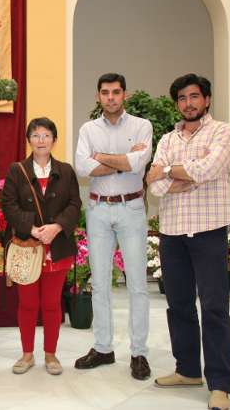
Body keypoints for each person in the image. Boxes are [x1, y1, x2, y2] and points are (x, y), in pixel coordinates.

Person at [146, 73, 230, 410]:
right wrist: (182, 175)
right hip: (172, 233)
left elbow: (208, 169)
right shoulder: (168, 139)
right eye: (182, 98)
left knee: (214, 307)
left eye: (194, 96)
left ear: (206, 99)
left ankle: (220, 384)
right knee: (179, 304)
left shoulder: (221, 131)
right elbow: (153, 186)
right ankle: (187, 370)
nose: (188, 103)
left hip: (208, 230)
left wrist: (169, 171)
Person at [74, 73, 153, 380]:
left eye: (116, 92)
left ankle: (139, 353)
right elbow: (83, 167)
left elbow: (138, 163)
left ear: (125, 95)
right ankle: (103, 348)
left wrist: (102, 159)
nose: (111, 97)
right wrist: (123, 161)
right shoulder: (88, 129)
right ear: (98, 96)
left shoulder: (142, 126)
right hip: (98, 210)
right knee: (100, 283)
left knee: (137, 285)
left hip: (131, 209)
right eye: (105, 92)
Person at [0, 117, 81, 376]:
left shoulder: (66, 171)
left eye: (46, 135)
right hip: (27, 247)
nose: (41, 140)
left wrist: (56, 227)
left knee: (52, 304)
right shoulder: (17, 170)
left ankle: (50, 354)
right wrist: (32, 229)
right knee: (27, 304)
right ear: (29, 140)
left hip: (57, 247)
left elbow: (75, 205)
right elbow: (8, 205)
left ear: (54, 140)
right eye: (36, 135)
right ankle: (27, 354)